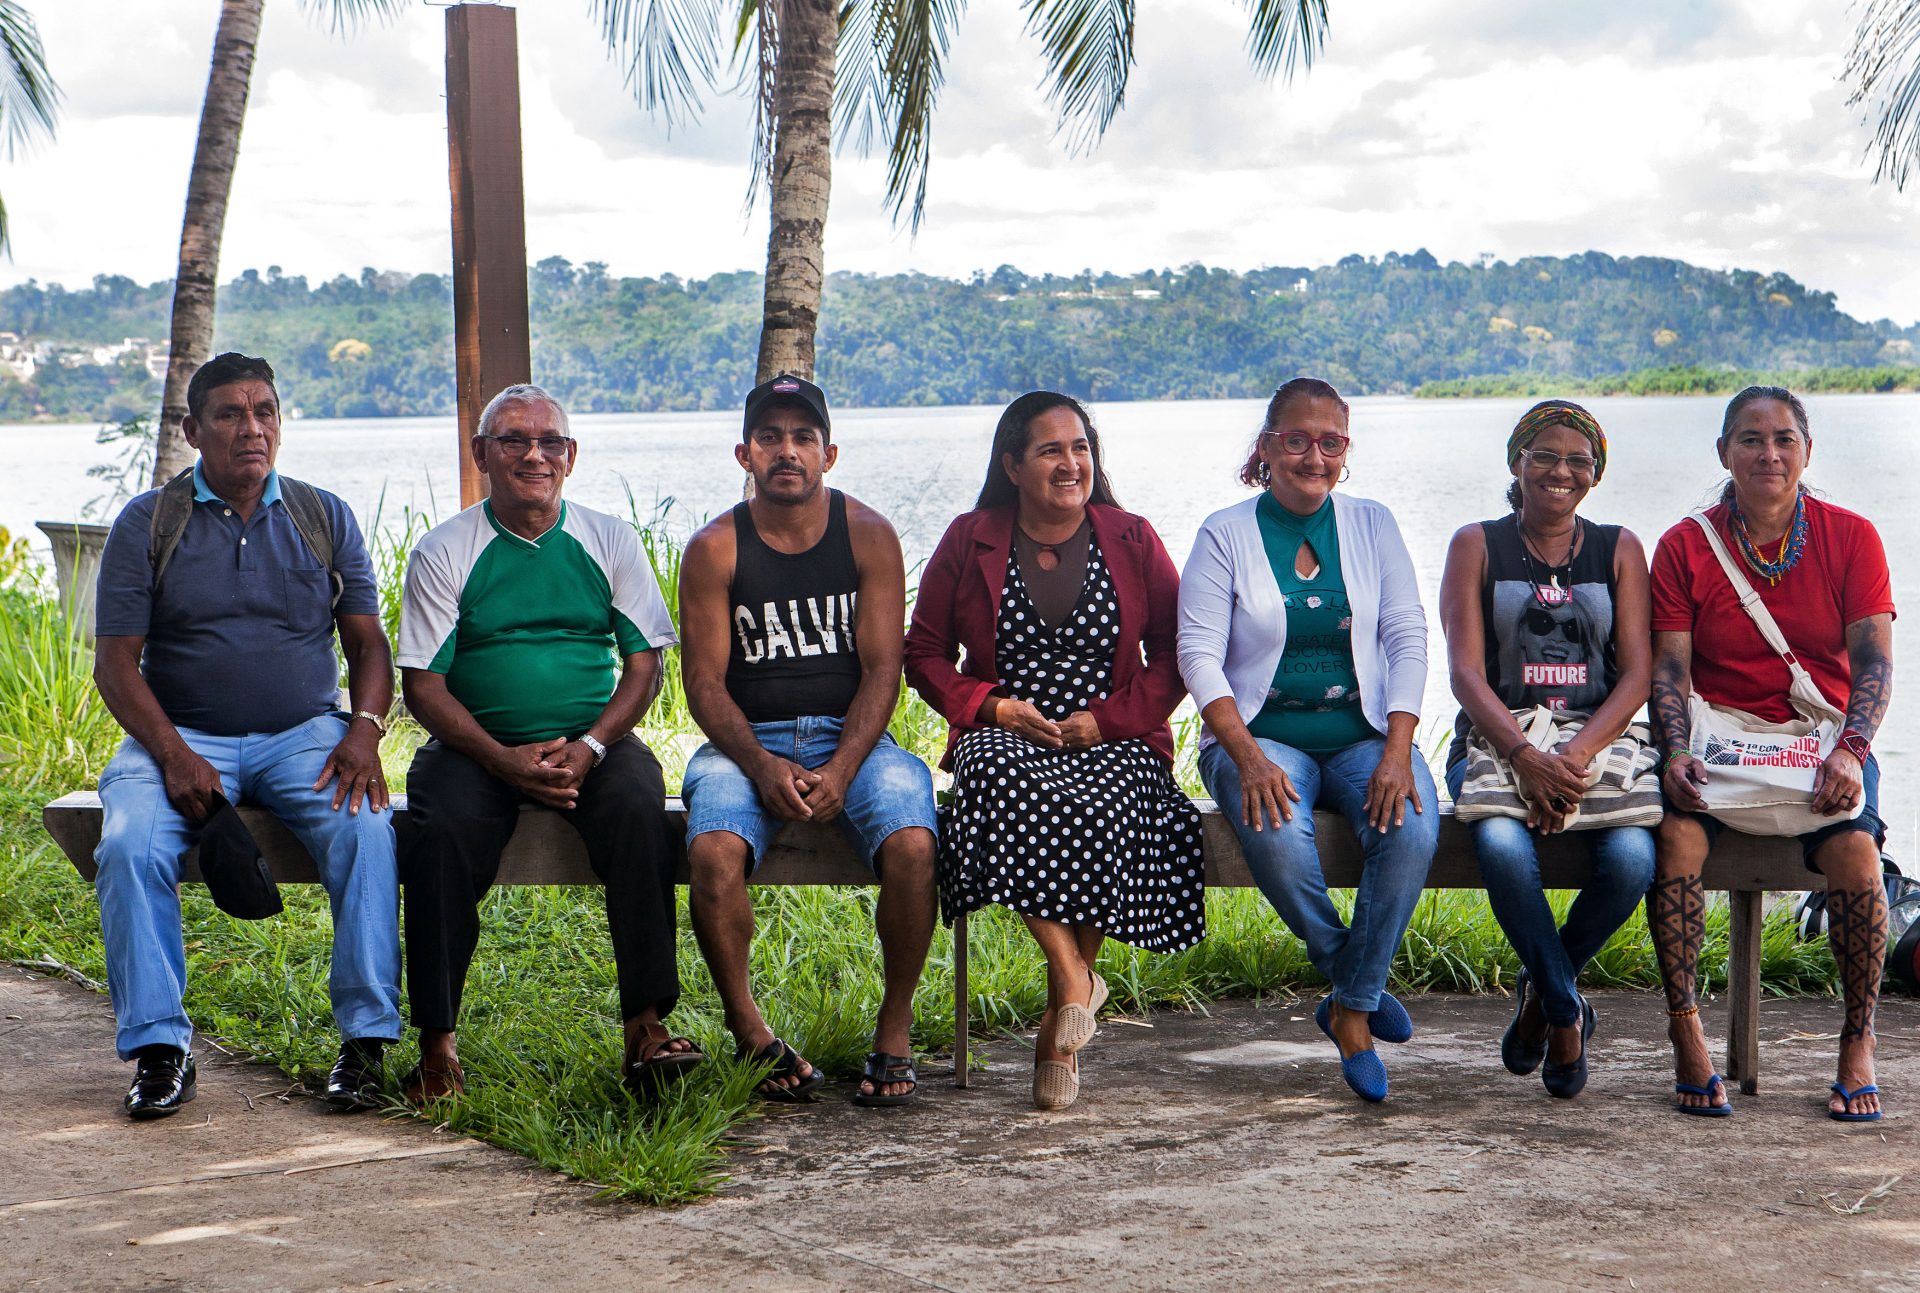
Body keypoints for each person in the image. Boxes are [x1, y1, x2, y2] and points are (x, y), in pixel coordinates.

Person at [91, 352, 400, 1118]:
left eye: (264, 411)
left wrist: (363, 731)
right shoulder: (149, 521)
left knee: (367, 827)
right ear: (195, 429)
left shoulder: (321, 515)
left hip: (304, 734)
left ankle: (365, 1044)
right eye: (229, 414)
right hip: (178, 736)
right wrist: (172, 753)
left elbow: (368, 644)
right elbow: (115, 664)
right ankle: (161, 1050)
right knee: (127, 844)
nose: (251, 428)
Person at [905, 391, 1201, 1111]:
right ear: (1011, 464)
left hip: (1114, 734)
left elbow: (1173, 653)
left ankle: (1057, 1033)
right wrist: (992, 707)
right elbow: (926, 653)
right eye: (1050, 450)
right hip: (1010, 732)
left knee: (1114, 799)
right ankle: (1073, 983)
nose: (1071, 464)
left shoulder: (1131, 537)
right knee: (994, 774)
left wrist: (1107, 721)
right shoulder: (969, 536)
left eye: (1080, 449)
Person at [395, 384, 687, 1103]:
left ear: (571, 456)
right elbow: (423, 687)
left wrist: (589, 744)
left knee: (638, 807)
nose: (534, 453)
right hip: (474, 749)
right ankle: (438, 1045)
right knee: (439, 832)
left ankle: (645, 1028)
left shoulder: (609, 539)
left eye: (550, 441)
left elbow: (645, 663)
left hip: (592, 742)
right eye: (513, 440)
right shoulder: (446, 550)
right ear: (481, 455)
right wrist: (503, 760)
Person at [679, 374, 938, 1106]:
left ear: (829, 453)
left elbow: (885, 668)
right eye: (770, 437)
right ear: (744, 453)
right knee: (712, 850)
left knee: (916, 841)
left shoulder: (869, 534)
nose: (786, 451)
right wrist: (761, 764)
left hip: (851, 736)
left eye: (802, 437)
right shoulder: (715, 547)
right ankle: (749, 1028)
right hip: (746, 740)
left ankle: (894, 1022)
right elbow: (703, 682)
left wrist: (846, 764)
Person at [1180, 377, 1437, 1104]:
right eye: (1296, 440)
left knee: (1414, 823)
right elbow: (1198, 655)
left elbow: (1407, 635)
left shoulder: (1372, 524)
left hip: (1362, 734)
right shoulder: (1224, 533)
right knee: (1276, 829)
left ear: (1346, 451)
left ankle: (1347, 1004)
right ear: (1267, 448)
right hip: (1259, 736)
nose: (1312, 456)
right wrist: (1249, 756)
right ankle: (1353, 983)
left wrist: (1398, 746)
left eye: (1330, 442)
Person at [1649, 386, 1895, 1119]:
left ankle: (1858, 1038)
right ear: (1723, 452)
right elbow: (1669, 671)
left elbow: (1874, 667)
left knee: (1857, 853)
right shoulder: (1685, 545)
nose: (1769, 453)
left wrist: (1852, 751)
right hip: (1719, 742)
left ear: (1808, 452)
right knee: (1674, 837)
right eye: (1751, 439)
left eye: (1785, 438)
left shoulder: (1852, 536)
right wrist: (1673, 752)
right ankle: (1686, 1030)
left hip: (1822, 743)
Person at [1439, 400, 1655, 1099]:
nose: (1561, 471)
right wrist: (1526, 757)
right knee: (1502, 847)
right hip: (1499, 735)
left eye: (1578, 461)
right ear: (1517, 461)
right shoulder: (1477, 544)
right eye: (1545, 455)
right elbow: (1466, 673)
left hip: (1597, 741)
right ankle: (1565, 1013)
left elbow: (1639, 673)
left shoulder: (1618, 547)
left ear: (1594, 474)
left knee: (1631, 861)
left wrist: (1577, 755)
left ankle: (1539, 996)